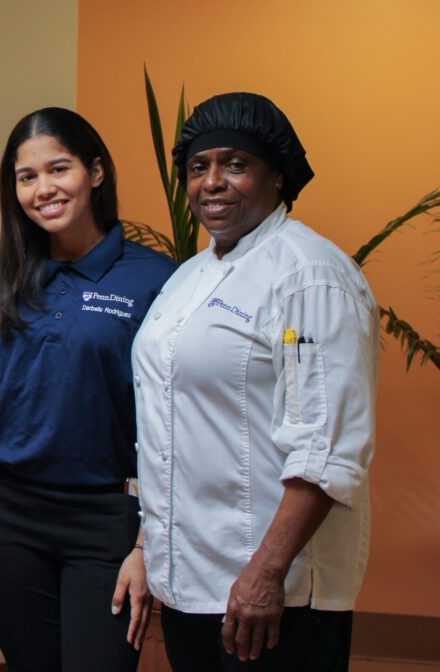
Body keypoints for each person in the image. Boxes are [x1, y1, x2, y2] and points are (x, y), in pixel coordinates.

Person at [133, 92, 377, 671]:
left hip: (272, 589)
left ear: (277, 175)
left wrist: (266, 572)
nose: (212, 182)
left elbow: (327, 447)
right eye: (198, 167)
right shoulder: (190, 277)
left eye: (235, 164)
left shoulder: (309, 276)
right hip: (191, 576)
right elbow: (167, 425)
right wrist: (148, 549)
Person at [0, 108, 175, 671]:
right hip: (10, 512)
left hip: (108, 516)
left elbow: (172, 420)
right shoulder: (9, 278)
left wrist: (144, 542)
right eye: (27, 176)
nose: (43, 189)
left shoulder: (155, 279)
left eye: (58, 169)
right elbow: (0, 395)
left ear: (96, 172)